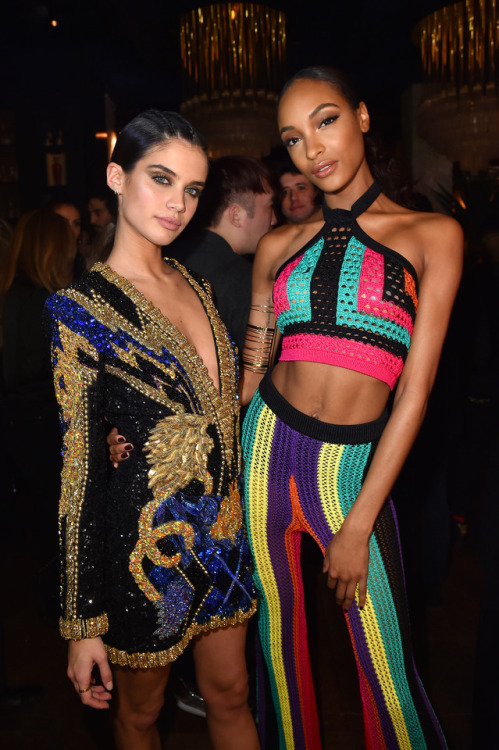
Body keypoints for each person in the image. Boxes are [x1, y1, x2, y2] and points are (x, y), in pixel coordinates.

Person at [240, 67, 462, 749]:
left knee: (386, 674)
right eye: (292, 138)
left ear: (362, 117)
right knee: (277, 658)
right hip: (262, 450)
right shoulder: (276, 246)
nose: (312, 148)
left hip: (348, 473)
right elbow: (251, 368)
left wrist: (359, 524)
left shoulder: (432, 235)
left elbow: (415, 392)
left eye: (326, 120)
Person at [45, 110, 259, 750]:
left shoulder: (193, 280)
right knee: (141, 715)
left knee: (232, 694)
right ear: (116, 176)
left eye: (192, 190)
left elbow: (216, 406)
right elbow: (78, 472)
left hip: (224, 529)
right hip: (145, 550)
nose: (178, 204)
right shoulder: (80, 312)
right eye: (161, 180)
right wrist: (82, 621)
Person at [173, 155, 277, 353]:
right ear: (236, 215)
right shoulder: (246, 280)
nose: (274, 219)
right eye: (270, 207)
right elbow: (256, 371)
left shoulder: (171, 255)